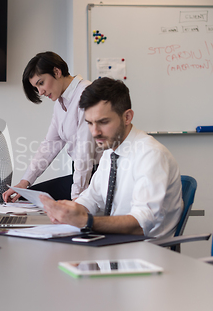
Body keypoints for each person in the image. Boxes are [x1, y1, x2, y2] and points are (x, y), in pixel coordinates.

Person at [41, 77, 182, 238]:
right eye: (90, 123)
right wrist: (68, 211)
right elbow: (91, 199)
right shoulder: (110, 151)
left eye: (103, 122)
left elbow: (142, 223)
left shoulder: (151, 155)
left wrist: (87, 222)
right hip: (112, 246)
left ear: (127, 117)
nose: (95, 132)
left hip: (143, 254)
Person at [3, 51, 101, 202]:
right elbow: (50, 145)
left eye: (41, 83)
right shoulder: (60, 103)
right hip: (82, 172)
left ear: (57, 71)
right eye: (36, 87)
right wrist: (25, 181)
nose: (40, 92)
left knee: (35, 199)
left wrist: (76, 196)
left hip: (96, 174)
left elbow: (84, 151)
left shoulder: (86, 94)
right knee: (25, 195)